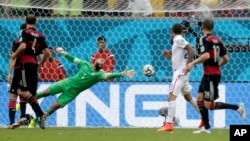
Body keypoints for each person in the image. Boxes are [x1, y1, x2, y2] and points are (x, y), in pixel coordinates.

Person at [28, 47, 135, 126]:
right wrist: (63, 52)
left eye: (103, 63)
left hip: (72, 93)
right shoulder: (85, 64)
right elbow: (74, 59)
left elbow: (108, 75)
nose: (102, 62)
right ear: (95, 60)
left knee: (54, 107)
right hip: (66, 83)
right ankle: (21, 103)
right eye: (101, 60)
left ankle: (35, 121)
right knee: (43, 93)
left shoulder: (99, 75)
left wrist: (121, 74)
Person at [183, 18, 246, 134]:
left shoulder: (203, 39)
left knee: (208, 105)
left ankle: (237, 107)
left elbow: (206, 56)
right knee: (200, 99)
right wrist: (217, 65)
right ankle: (206, 127)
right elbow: (226, 58)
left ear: (202, 27)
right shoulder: (218, 39)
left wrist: (192, 63)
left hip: (210, 75)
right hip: (209, 74)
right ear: (212, 28)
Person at [10, 14, 51, 129]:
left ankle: (40, 114)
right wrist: (41, 63)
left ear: (26, 21)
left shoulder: (25, 33)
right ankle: (34, 117)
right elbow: (47, 53)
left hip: (25, 64)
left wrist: (14, 55)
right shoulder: (40, 35)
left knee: (21, 91)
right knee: (30, 94)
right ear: (36, 22)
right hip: (34, 64)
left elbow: (23, 46)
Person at [158, 23, 200, 132]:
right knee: (188, 97)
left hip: (180, 73)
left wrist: (188, 65)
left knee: (171, 97)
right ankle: (205, 118)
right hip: (182, 73)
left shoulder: (178, 39)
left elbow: (191, 50)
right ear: (181, 31)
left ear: (172, 32)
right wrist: (169, 56)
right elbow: (179, 58)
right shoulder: (178, 41)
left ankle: (169, 124)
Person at [7, 23, 26, 128]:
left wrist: (10, 73)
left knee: (13, 96)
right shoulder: (34, 43)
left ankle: (12, 122)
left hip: (19, 71)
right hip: (30, 72)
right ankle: (22, 117)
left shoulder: (17, 42)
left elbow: (13, 58)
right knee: (24, 94)